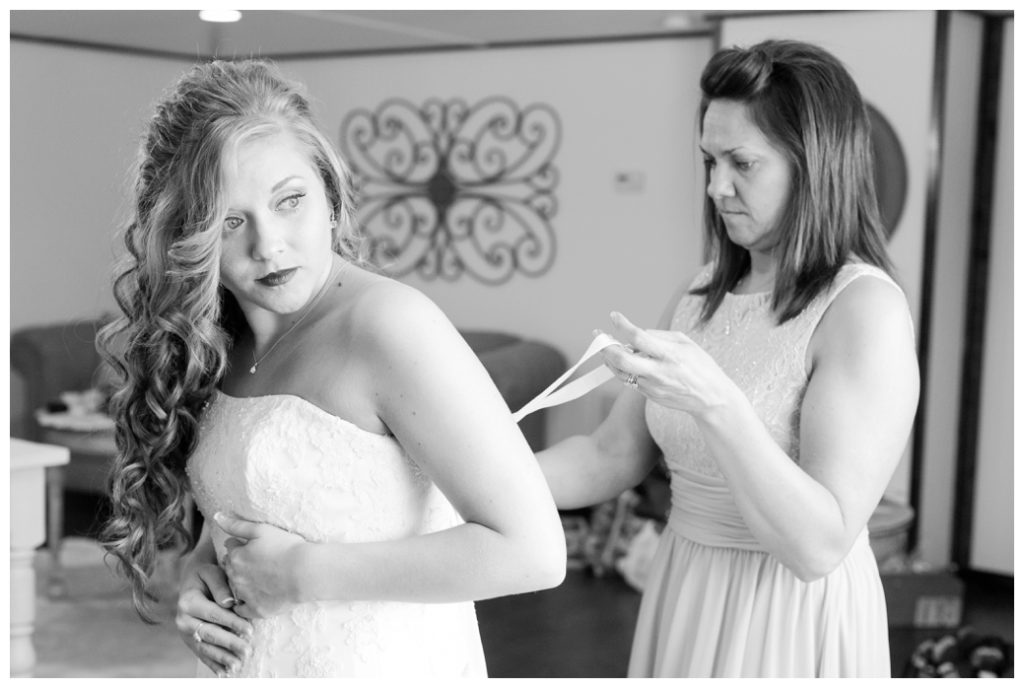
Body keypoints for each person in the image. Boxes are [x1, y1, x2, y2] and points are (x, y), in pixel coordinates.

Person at [98, 58, 566, 678]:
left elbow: (533, 553)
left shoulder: (389, 325)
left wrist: (302, 575)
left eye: (289, 200)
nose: (269, 246)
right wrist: (199, 581)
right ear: (187, 234)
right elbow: (252, 504)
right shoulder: (221, 341)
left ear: (330, 192)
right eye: (229, 222)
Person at [536, 39, 919, 678]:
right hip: (686, 583)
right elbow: (610, 456)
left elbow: (820, 545)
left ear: (814, 163)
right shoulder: (699, 293)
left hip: (787, 614)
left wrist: (715, 401)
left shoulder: (863, 310)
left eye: (743, 163)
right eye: (710, 160)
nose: (716, 187)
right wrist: (470, 473)